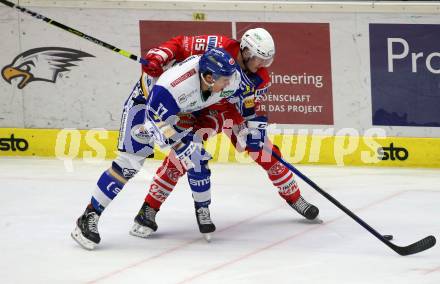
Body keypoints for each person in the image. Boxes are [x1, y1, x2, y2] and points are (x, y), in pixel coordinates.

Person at [130, 28, 319, 239]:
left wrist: (255, 130)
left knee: (265, 152)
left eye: (267, 62)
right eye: (259, 60)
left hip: (228, 113)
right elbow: (181, 43)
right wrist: (161, 54)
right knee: (183, 157)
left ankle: (295, 197)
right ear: (246, 51)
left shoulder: (260, 79)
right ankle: (149, 208)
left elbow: (250, 108)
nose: (262, 67)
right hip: (196, 107)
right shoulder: (216, 44)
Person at [71, 47, 241, 249]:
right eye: (224, 79)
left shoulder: (231, 78)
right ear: (209, 77)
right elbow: (154, 121)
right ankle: (89, 216)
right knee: (128, 165)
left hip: (180, 111)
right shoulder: (174, 86)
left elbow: (232, 102)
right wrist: (178, 145)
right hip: (146, 106)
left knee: (197, 158)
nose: (229, 83)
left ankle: (170, 213)